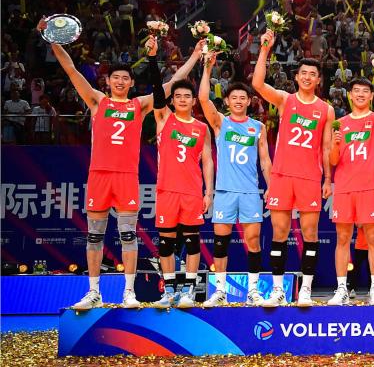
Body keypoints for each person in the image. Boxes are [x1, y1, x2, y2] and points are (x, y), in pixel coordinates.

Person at [49, 25, 200, 310]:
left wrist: (194, 56)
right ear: (107, 81)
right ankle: (94, 292)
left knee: (128, 235)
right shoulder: (98, 100)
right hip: (99, 175)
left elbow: (173, 82)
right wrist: (52, 40)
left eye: (125, 78)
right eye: (116, 77)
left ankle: (128, 292)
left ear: (131, 83)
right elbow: (71, 70)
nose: (120, 81)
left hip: (127, 177)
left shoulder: (138, 106)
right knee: (94, 235)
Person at [254, 30, 334, 307]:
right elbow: (257, 83)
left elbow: (326, 147)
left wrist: (328, 179)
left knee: (310, 234)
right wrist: (265, 49)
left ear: (318, 79)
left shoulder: (325, 109)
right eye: (304, 73)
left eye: (313, 74)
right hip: (282, 175)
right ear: (297, 77)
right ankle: (278, 290)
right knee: (279, 233)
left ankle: (306, 290)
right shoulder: (285, 100)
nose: (308, 77)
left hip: (310, 177)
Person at [198, 53, 273, 307]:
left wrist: (271, 187)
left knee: (253, 242)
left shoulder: (258, 127)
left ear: (249, 102)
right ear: (227, 101)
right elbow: (203, 98)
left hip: (250, 192)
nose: (239, 101)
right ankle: (220, 291)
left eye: (243, 98)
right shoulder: (220, 123)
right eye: (234, 98)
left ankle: (253, 291)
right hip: (225, 192)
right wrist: (207, 68)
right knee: (221, 242)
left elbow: (265, 161)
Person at [151, 76, 214, 309]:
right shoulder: (164, 118)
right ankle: (169, 291)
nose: (183, 99)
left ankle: (188, 290)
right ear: (172, 100)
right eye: (178, 96)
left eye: (187, 96)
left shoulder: (202, 128)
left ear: (194, 101)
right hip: (167, 189)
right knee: (166, 242)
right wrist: (152, 59)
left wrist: (209, 192)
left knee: (192, 241)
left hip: (191, 191)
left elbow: (207, 161)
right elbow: (158, 93)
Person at [328, 77, 374, 305]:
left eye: (366, 91)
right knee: (343, 238)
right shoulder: (340, 123)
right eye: (356, 91)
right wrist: (335, 144)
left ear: (371, 95)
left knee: (373, 237)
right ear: (350, 95)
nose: (361, 94)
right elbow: (333, 160)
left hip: (370, 186)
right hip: (345, 187)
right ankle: (341, 289)